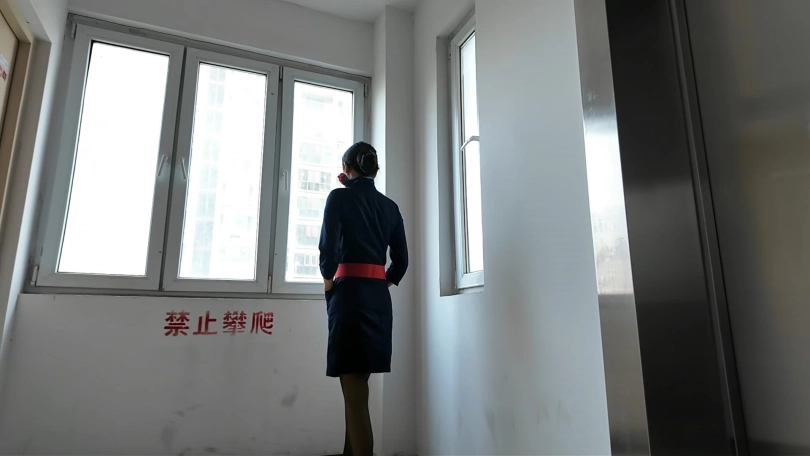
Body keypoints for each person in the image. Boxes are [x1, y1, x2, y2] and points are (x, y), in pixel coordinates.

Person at [319, 141, 408, 456]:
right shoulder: (390, 207)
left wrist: (328, 284)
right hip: (378, 300)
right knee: (356, 387)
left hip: (348, 298)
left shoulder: (338, 197)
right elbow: (401, 263)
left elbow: (328, 249)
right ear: (374, 171)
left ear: (347, 168)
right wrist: (381, 284)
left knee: (355, 396)